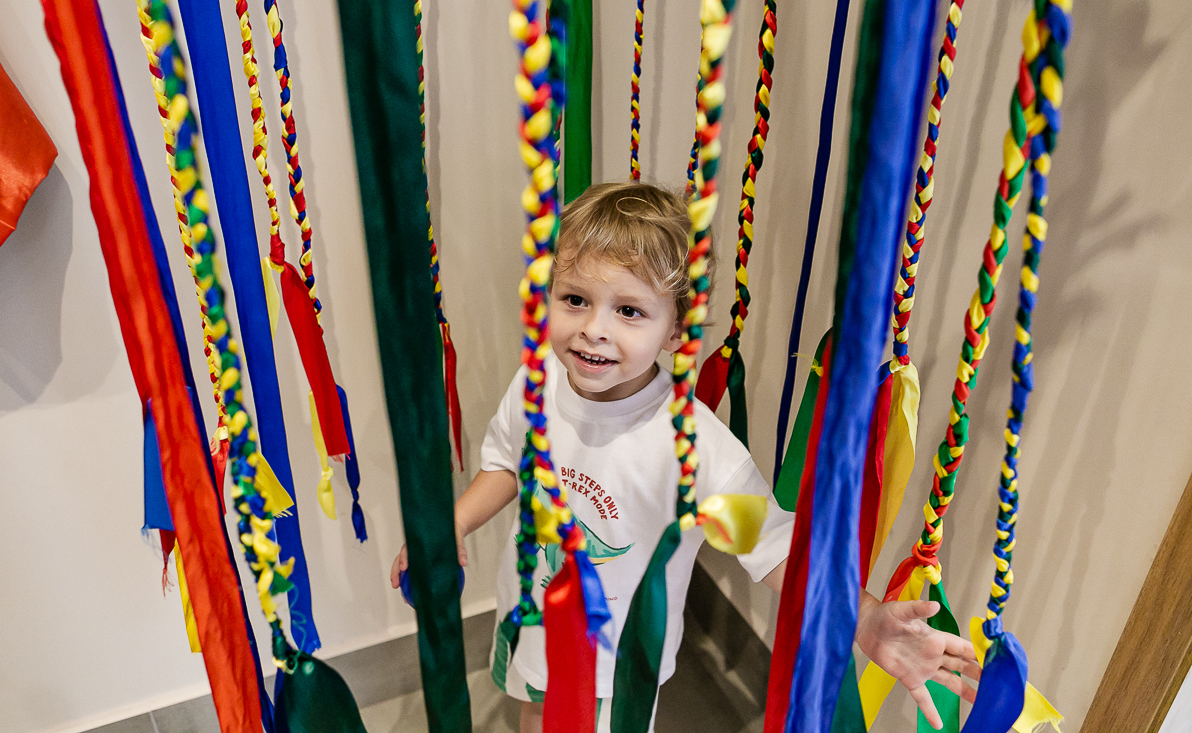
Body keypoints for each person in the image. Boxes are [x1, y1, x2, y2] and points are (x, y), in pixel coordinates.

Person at [392, 182, 981, 733]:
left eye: (628, 311)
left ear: (676, 331)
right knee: (528, 714)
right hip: (527, 624)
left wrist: (866, 619)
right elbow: (503, 463)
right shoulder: (536, 382)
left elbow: (778, 551)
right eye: (574, 299)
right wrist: (456, 524)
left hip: (615, 673)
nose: (593, 330)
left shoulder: (696, 449)